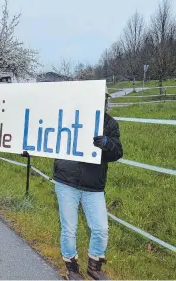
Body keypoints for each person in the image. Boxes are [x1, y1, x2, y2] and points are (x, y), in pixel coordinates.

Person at [52, 89, 123, 280]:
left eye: (103, 99)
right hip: (66, 180)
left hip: (93, 185)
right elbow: (47, 135)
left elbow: (117, 153)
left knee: (100, 228)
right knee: (69, 228)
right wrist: (27, 148)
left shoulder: (109, 123)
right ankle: (71, 267)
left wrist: (108, 144)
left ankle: (94, 266)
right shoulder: (68, 116)